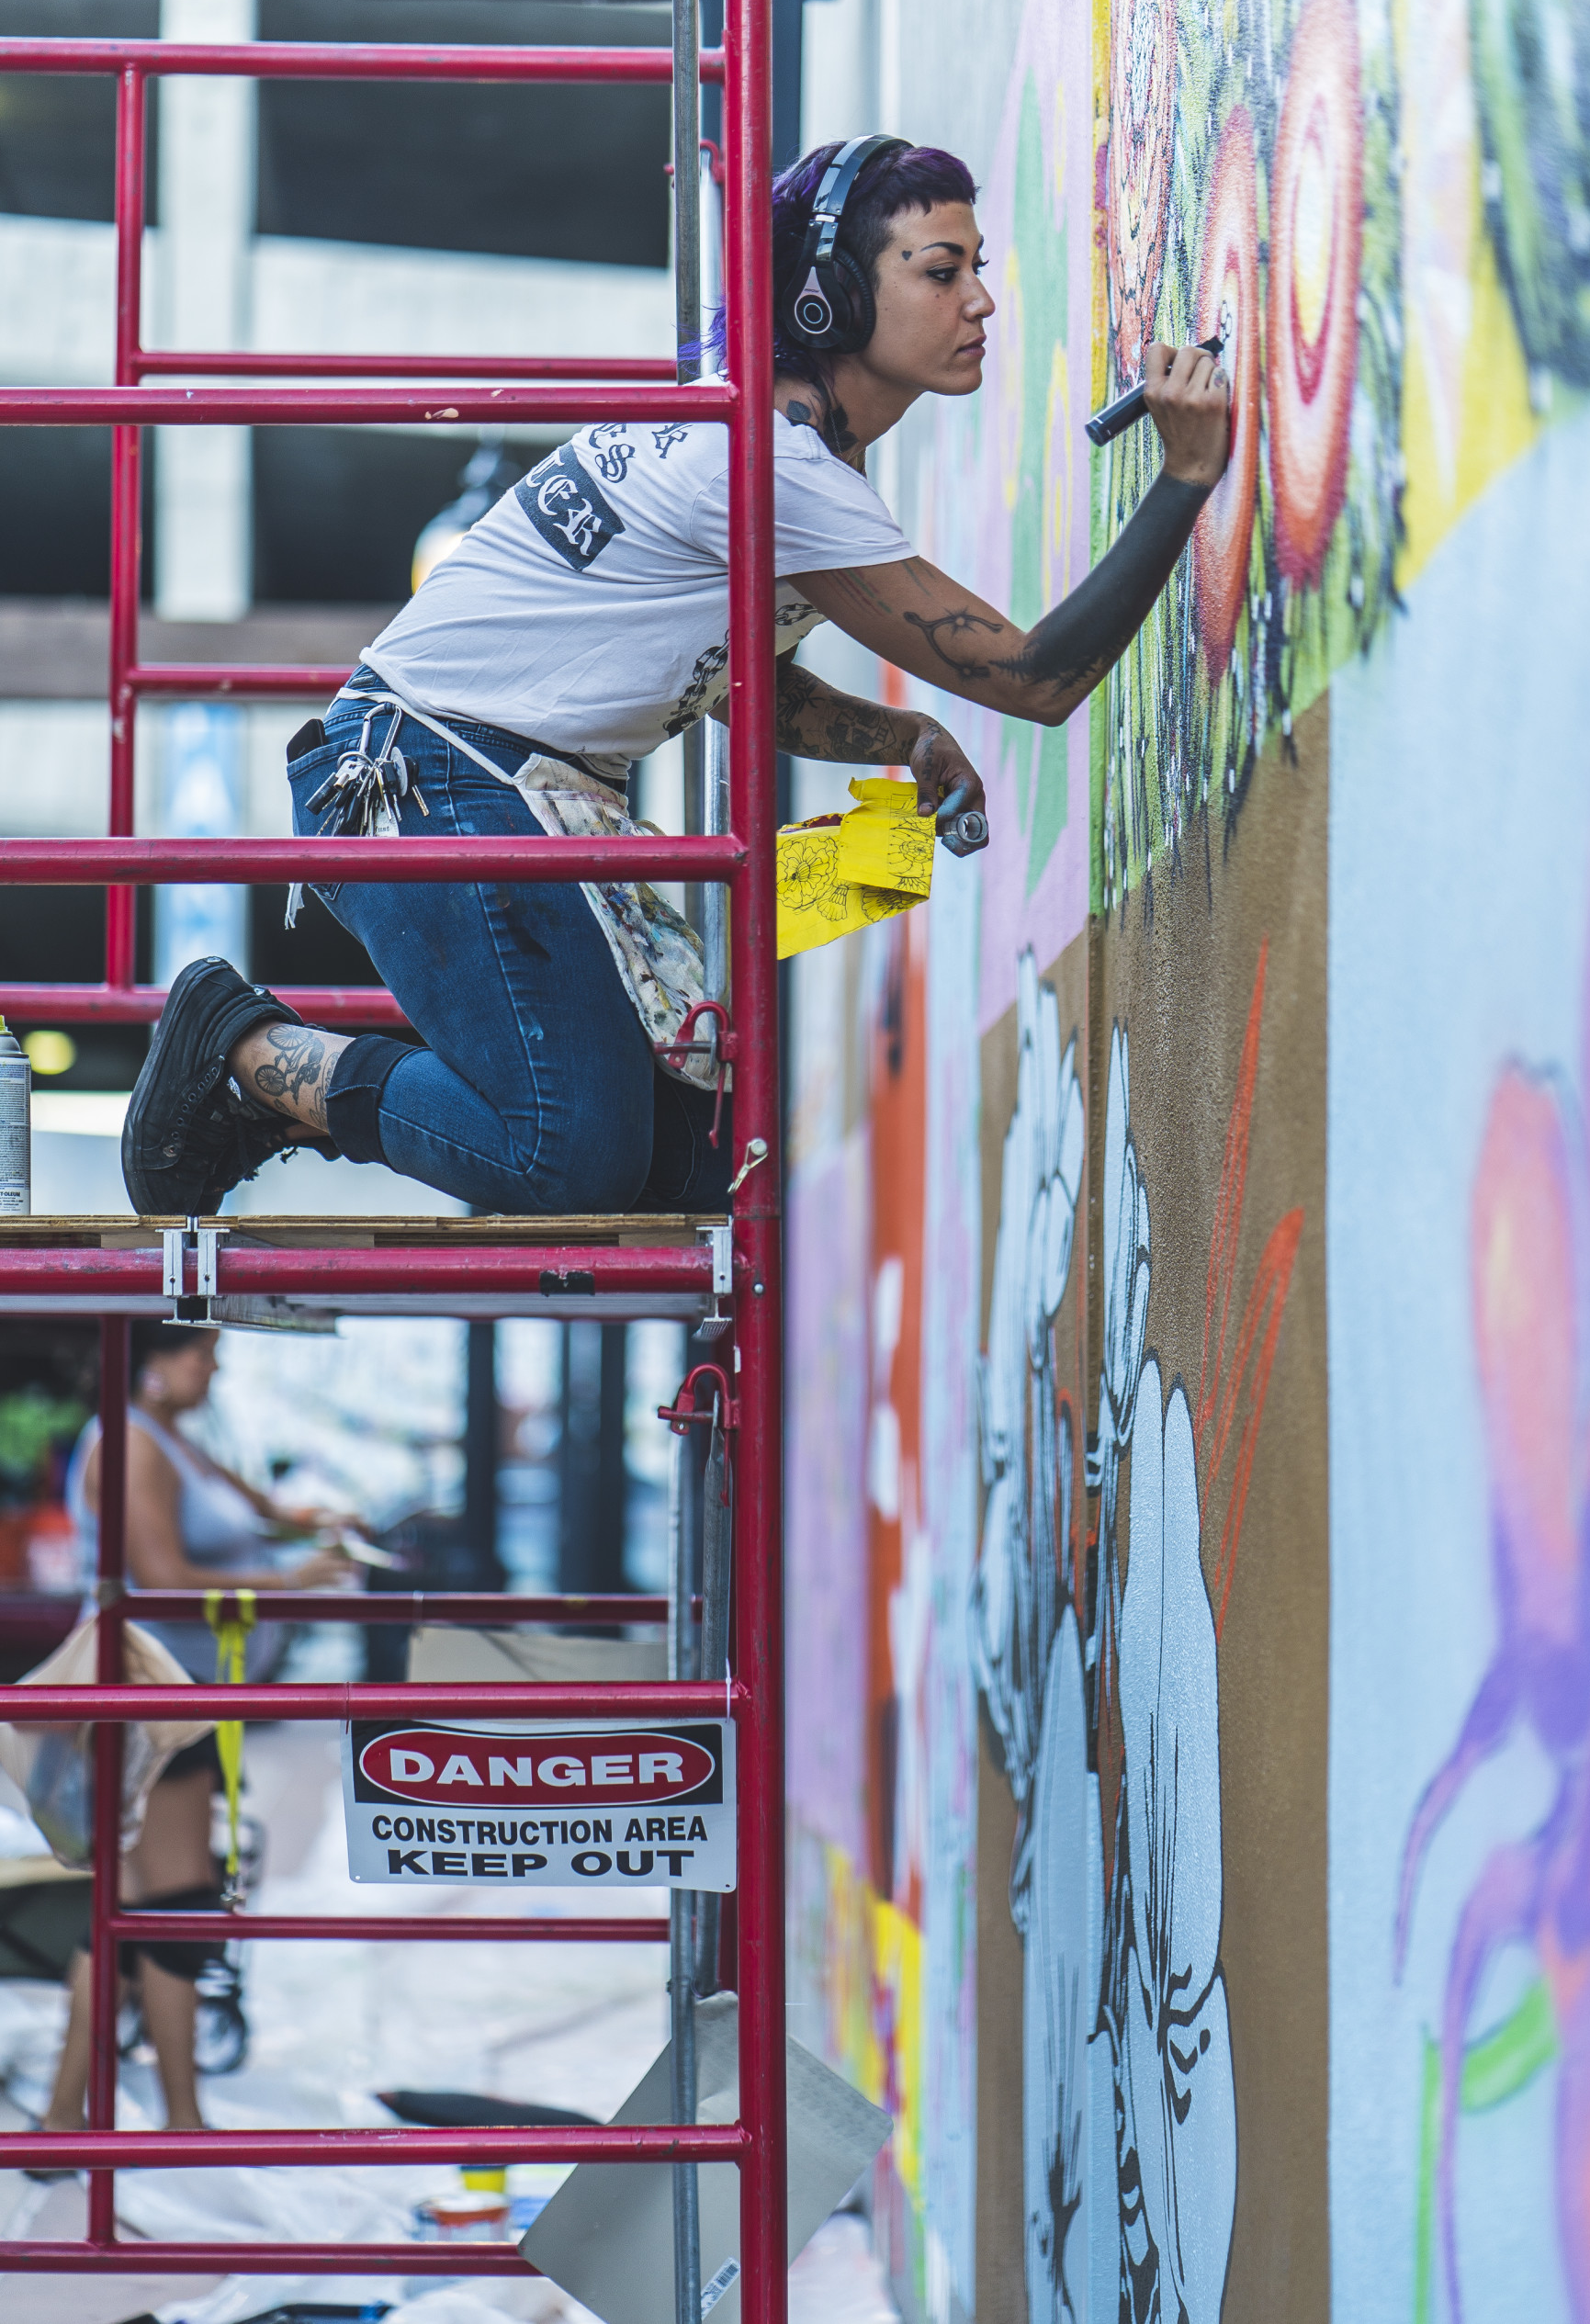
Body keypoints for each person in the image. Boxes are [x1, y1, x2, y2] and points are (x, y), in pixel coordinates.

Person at [120, 135, 1229, 1222]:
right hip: (430, 775)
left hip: (492, 781)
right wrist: (1185, 474)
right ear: (828, 297)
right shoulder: (775, 464)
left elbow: (749, 683)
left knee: (694, 1165)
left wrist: (900, 742)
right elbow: (1036, 678)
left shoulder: (769, 437)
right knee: (567, 1158)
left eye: (979, 266)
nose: (980, 299)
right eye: (942, 271)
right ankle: (251, 1049)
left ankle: (277, 1094)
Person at [34, 1325, 348, 2148]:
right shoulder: (133, 1443)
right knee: (172, 1900)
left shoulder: (173, 1438)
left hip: (179, 1692)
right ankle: (178, 2118)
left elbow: (263, 1513)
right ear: (156, 1365)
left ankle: (69, 2116)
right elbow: (163, 1578)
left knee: (135, 1904)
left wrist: (302, 1527)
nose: (217, 1362)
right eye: (201, 1350)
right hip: (156, 1694)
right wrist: (290, 1579)